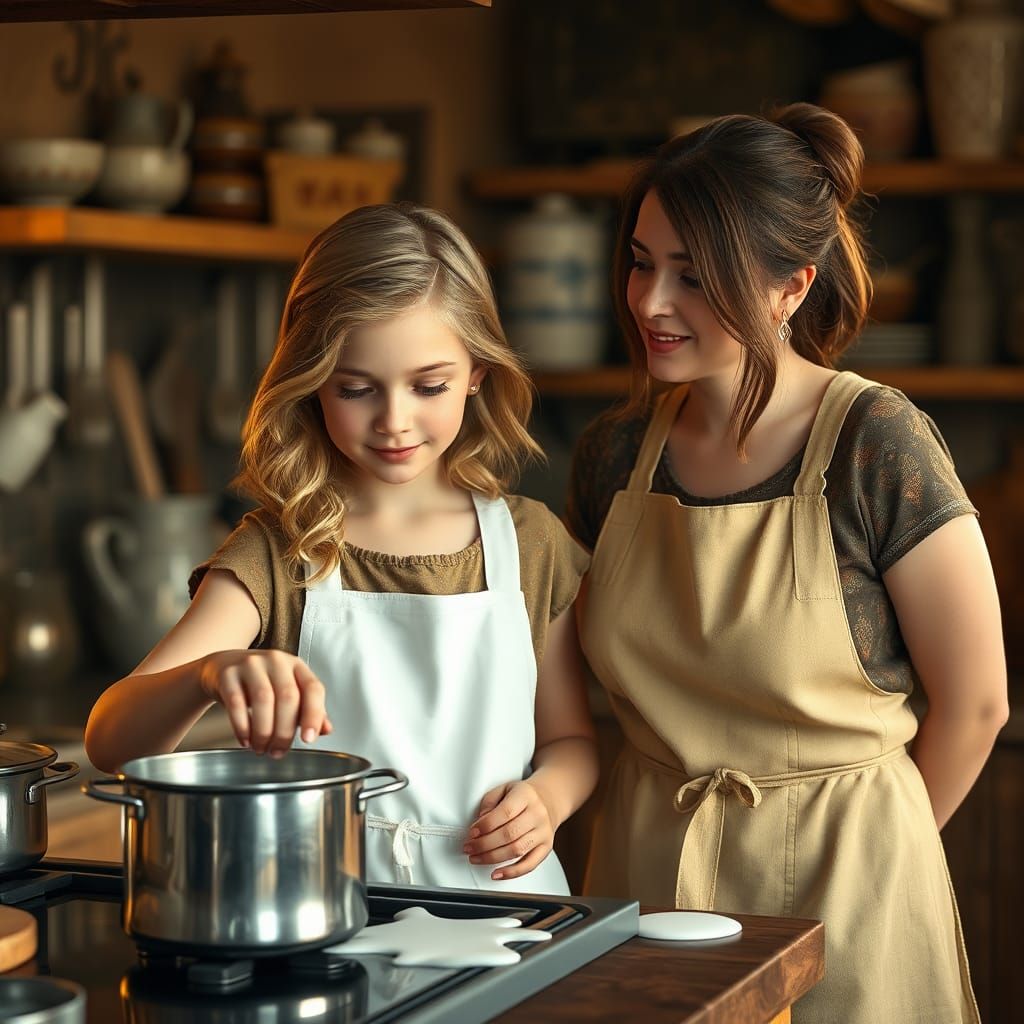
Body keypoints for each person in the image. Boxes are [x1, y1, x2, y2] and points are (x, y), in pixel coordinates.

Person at [567, 104, 1007, 1022]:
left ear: (791, 287)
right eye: (642, 262)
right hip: (646, 882)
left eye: (693, 276)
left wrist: (882, 865)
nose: (650, 302)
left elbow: (976, 704)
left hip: (845, 887)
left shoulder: (874, 444)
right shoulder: (612, 456)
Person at [86, 202, 598, 894]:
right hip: (324, 917)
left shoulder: (530, 543)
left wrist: (549, 800)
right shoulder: (278, 551)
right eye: (355, 388)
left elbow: (570, 742)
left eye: (429, 385)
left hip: (507, 915)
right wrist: (206, 674)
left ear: (477, 369)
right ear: (311, 379)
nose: (394, 421)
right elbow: (110, 741)